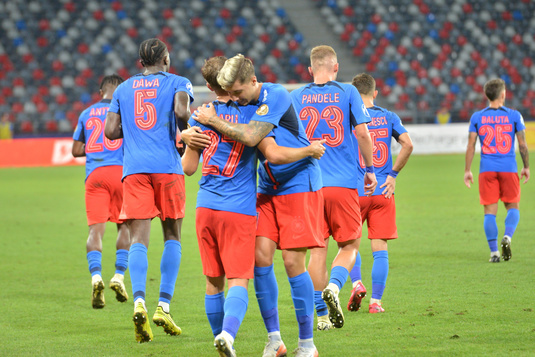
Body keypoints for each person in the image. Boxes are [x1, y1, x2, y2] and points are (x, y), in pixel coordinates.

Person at [182, 56, 325, 357]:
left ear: (252, 81)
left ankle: (307, 344)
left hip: (298, 182)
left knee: (291, 263)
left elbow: (263, 146)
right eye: (229, 94)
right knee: (260, 260)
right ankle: (274, 339)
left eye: (237, 92)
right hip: (267, 187)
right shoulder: (244, 106)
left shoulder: (275, 95)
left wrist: (207, 121)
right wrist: (185, 133)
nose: (234, 99)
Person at [104, 38, 194, 343]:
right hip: (168, 167)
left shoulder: (123, 89)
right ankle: (163, 306)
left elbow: (110, 132)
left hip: (134, 169)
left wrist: (132, 128)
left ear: (140, 62)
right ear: (166, 60)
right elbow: (182, 112)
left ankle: (139, 300)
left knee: (139, 238)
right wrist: (189, 128)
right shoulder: (178, 81)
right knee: (172, 235)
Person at [289, 46, 377, 330]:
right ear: (336, 68)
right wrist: (371, 169)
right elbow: (363, 133)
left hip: (309, 185)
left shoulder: (295, 96)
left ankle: (322, 317)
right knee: (350, 245)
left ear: (310, 70)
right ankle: (336, 288)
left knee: (317, 251)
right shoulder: (348, 92)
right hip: (342, 183)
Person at [347, 73, 413, 313]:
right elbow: (408, 144)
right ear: (375, 93)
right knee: (380, 248)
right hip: (383, 191)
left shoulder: (348, 116)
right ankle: (376, 303)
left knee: (349, 245)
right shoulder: (389, 117)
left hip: (355, 189)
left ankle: (356, 283)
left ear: (353, 94)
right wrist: (393, 175)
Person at [72, 74, 130, 309]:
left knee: (95, 230)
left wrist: (97, 148)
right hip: (121, 173)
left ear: (100, 92)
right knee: (124, 226)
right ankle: (118, 276)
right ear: (119, 93)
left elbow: (76, 150)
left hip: (95, 175)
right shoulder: (124, 112)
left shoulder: (86, 113)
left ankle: (96, 277)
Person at [464, 78, 530, 263]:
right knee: (513, 207)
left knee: (489, 212)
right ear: (503, 94)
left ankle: (494, 253)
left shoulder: (477, 117)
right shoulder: (514, 115)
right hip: (509, 167)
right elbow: (523, 145)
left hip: (487, 169)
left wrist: (467, 170)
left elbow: (470, 146)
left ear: (487, 95)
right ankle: (507, 237)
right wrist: (526, 167)